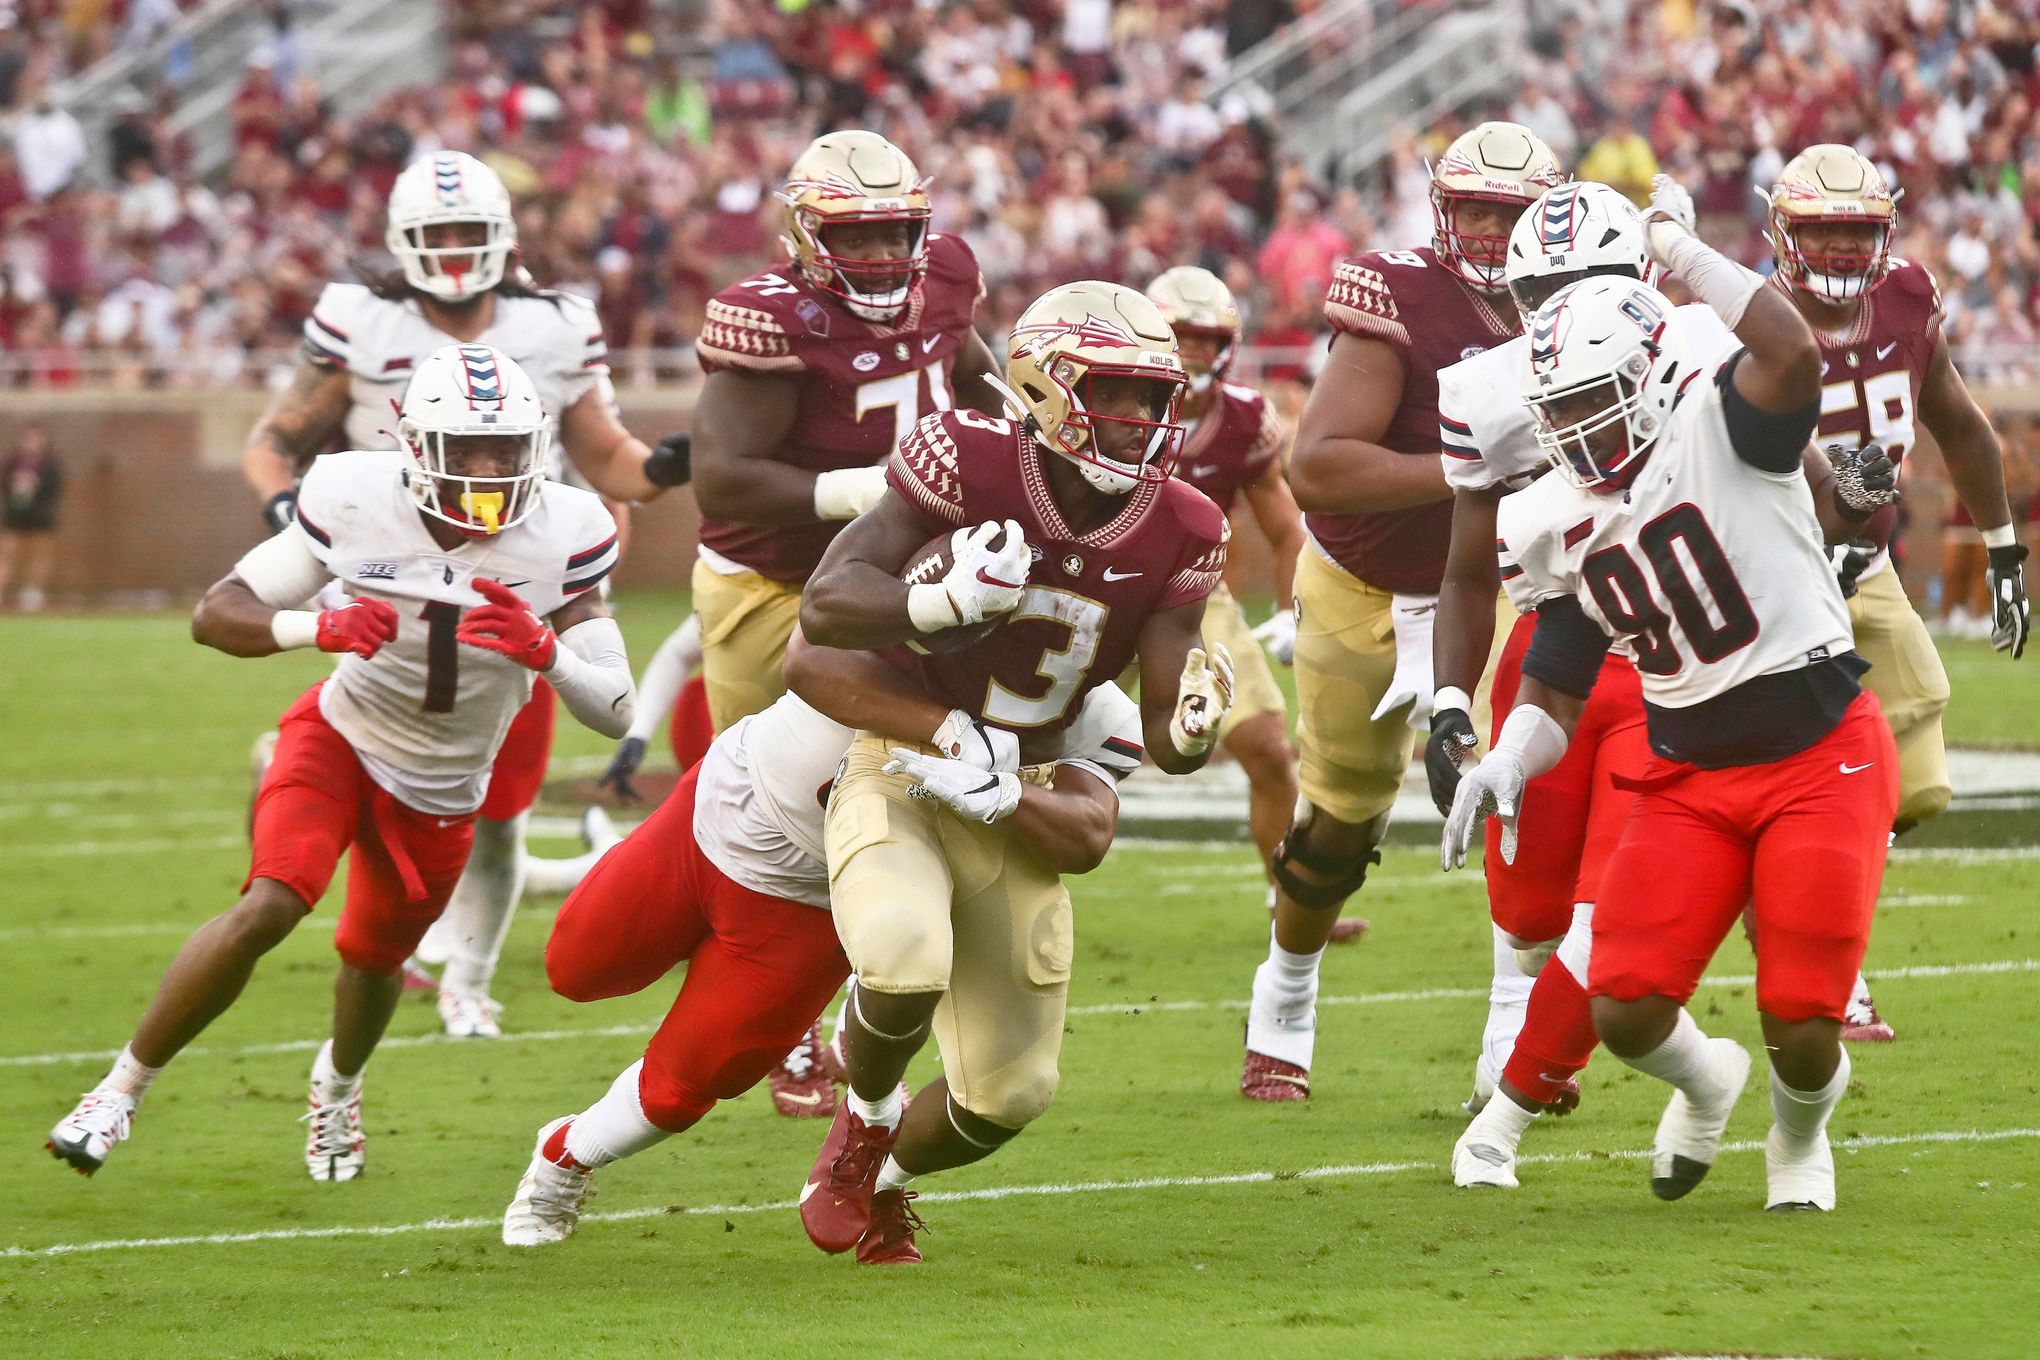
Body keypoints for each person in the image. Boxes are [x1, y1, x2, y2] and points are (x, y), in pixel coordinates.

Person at [47, 345, 636, 1182]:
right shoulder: (355, 497)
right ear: (415, 446)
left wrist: (549, 653)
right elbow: (217, 614)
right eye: (465, 450)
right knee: (270, 905)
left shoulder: (566, 532)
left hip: (443, 787)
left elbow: (615, 711)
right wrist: (314, 630)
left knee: (373, 961)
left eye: (502, 450)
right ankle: (119, 1090)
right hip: (341, 735)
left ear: (533, 448)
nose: (485, 470)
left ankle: (338, 1086)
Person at [1435, 179, 1894, 1188]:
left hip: (1819, 748)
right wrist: (1508, 749)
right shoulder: (1549, 518)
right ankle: (1710, 1079)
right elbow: (1558, 673)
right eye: (1563, 411)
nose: (1583, 430)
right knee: (1630, 1004)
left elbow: (1793, 351)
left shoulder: (1729, 426)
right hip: (1688, 773)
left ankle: (1800, 1134)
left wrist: (1678, 248)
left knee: (1805, 1017)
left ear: (1649, 377)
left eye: (1600, 401)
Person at [792, 281, 1234, 1263]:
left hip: (1024, 784)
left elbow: (1161, 722)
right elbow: (825, 610)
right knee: (903, 954)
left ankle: (895, 1181)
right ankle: (864, 1116)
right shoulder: (968, 460)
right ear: (1045, 385)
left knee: (1011, 1094)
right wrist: (932, 607)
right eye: (1118, 394)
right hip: (905, 762)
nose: (1143, 420)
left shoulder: (1184, 524)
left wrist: (1196, 728)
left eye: (1156, 399)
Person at [237, 150, 686, 1041]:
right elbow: (276, 438)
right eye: (433, 235)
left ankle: (463, 973)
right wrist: (291, 516)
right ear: (401, 241)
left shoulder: (554, 326)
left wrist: (671, 467)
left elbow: (605, 459)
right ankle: (358, 882)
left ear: (505, 240)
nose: (450, 253)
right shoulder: (359, 316)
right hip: (383, 561)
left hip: (513, 566)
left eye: (466, 235)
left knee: (500, 797)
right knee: (361, 740)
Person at [501, 639, 1143, 1246]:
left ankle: (564, 1156)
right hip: (724, 805)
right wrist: (931, 606)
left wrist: (1013, 791)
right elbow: (813, 648)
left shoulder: (1095, 707)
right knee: (573, 966)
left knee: (681, 1090)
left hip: (808, 902)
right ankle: (864, 1077)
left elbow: (1087, 833)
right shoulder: (931, 607)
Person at [1239, 122, 1565, 1102]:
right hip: (1363, 586)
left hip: (1505, 584)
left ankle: (1515, 1044)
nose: (1493, 231)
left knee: (1528, 797)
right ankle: (1284, 1002)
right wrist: (1468, 467)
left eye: (1512, 214)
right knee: (1339, 821)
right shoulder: (1400, 293)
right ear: (1441, 209)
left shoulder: (1586, 298)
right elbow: (1319, 463)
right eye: (1475, 209)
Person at [1762, 145, 2029, 1039]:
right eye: (1823, 230)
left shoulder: (1910, 297)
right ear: (1783, 231)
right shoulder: (1741, 316)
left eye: (1857, 230)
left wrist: (2001, 549)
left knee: (1913, 780)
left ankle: (1788, 886)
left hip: (1863, 570)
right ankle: (1828, 973)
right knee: (1806, 771)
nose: (1840, 249)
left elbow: (1956, 418)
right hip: (1770, 574)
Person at [687, 127, 1004, 737]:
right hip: (772, 582)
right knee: (758, 789)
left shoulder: (946, 277)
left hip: (890, 572)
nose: (883, 254)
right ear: (807, 233)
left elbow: (972, 377)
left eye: (895, 232)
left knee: (904, 758)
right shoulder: (776, 318)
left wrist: (1011, 453)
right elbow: (722, 482)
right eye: (855, 234)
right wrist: (869, 491)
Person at [1141, 266, 1343, 933]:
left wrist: (1289, 611)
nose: (1194, 353)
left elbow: (1287, 528)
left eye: (1207, 339)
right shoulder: (1112, 398)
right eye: (1181, 337)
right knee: (1028, 749)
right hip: (1096, 589)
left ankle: (1290, 899)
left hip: (1196, 597)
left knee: (1266, 746)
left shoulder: (1244, 417)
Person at [0, 423, 63, 613]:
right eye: (28, 438)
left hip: (40, 515)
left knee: (40, 553)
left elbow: (55, 488)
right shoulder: (12, 462)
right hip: (15, 513)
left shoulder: (49, 464)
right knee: (8, 551)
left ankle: (32, 591)